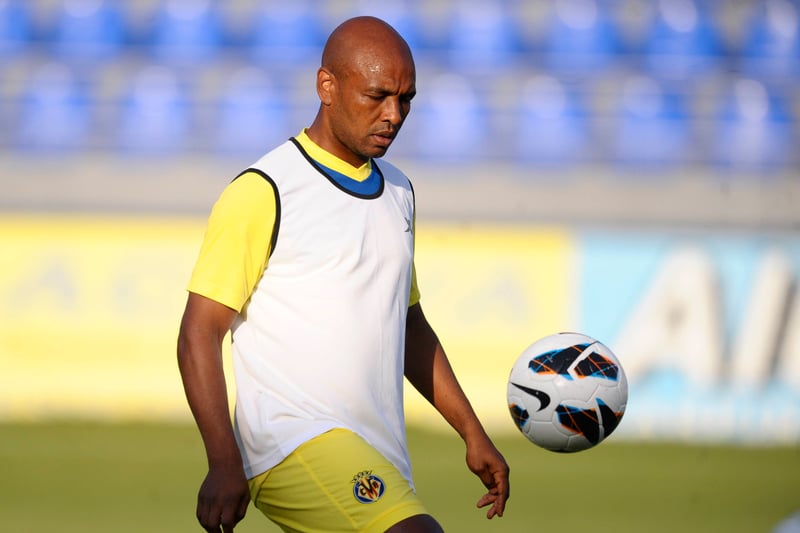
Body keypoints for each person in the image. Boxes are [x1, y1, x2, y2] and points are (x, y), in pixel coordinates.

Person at [177, 16, 510, 533]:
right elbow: (199, 331)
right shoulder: (265, 189)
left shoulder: (399, 191)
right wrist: (222, 459)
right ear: (326, 86)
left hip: (378, 452)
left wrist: (471, 431)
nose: (393, 115)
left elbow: (408, 325)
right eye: (377, 96)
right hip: (290, 442)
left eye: (405, 100)